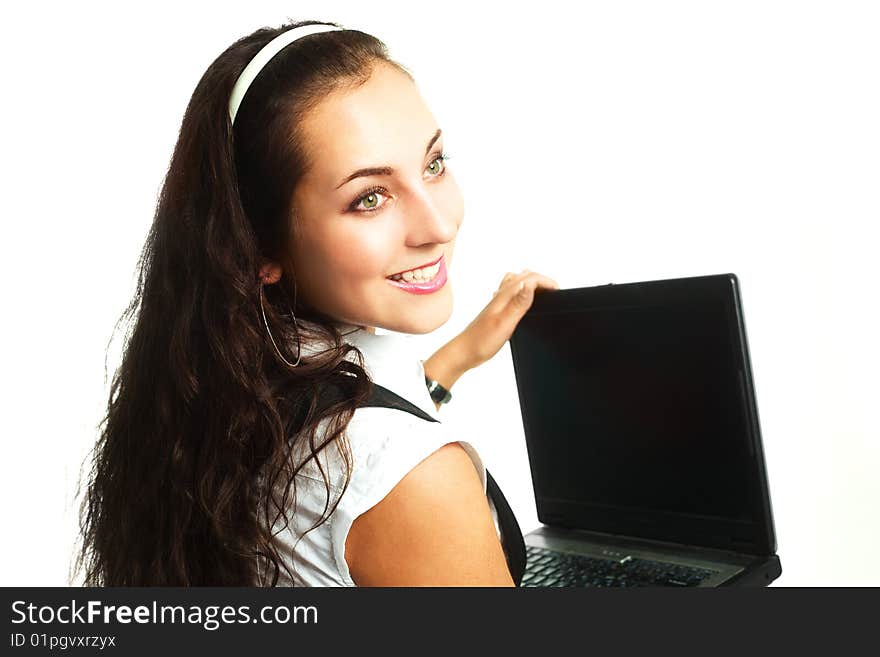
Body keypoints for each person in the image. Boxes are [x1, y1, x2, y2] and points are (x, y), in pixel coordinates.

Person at [75, 19, 558, 587]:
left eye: (433, 163)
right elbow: (373, 456)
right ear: (261, 244)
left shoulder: (222, 393)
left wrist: (460, 356)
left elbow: (335, 423)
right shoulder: (415, 477)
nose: (439, 223)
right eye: (369, 198)